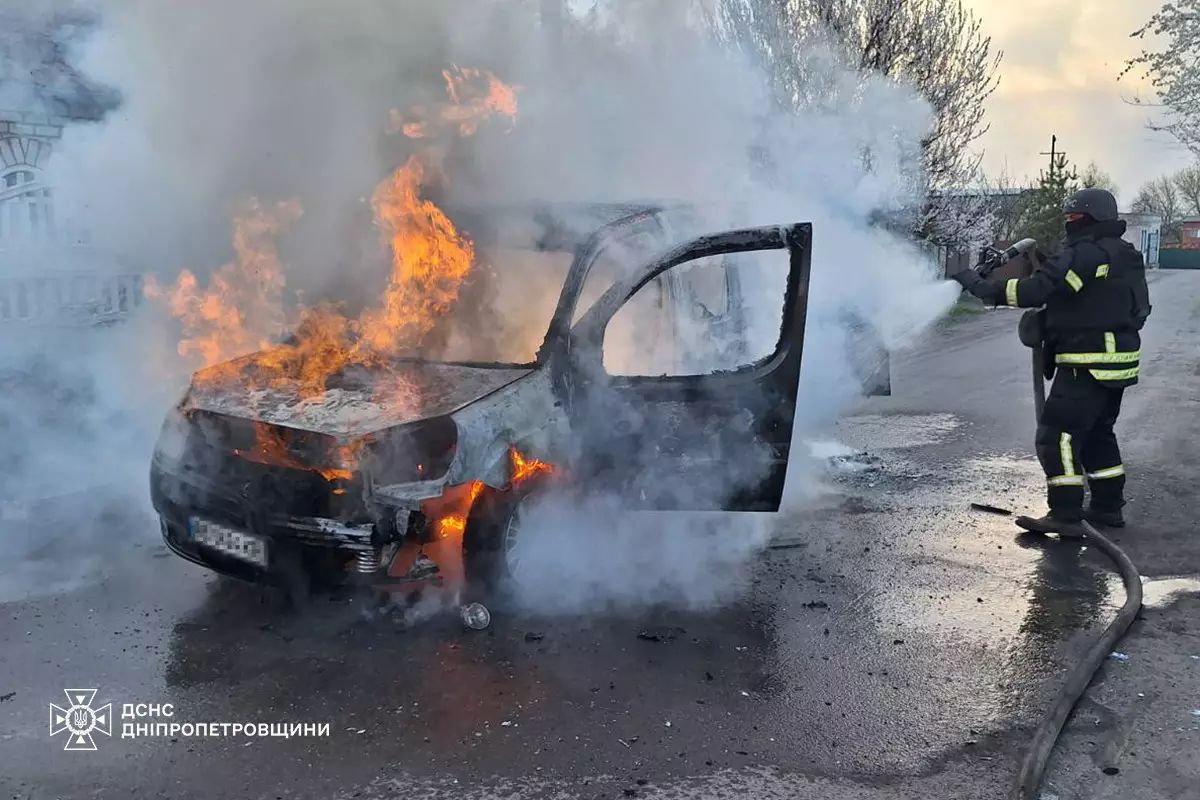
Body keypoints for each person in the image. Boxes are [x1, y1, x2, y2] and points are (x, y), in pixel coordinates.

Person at [950, 188, 1151, 538]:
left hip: (1085, 361)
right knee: (1097, 435)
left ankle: (1065, 513)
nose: (1069, 223)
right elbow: (1075, 292)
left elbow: (1036, 290)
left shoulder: (1084, 252)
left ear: (1089, 219)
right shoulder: (1122, 253)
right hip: (1118, 363)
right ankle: (1107, 508)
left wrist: (983, 288)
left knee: (1056, 436)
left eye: (1073, 217)